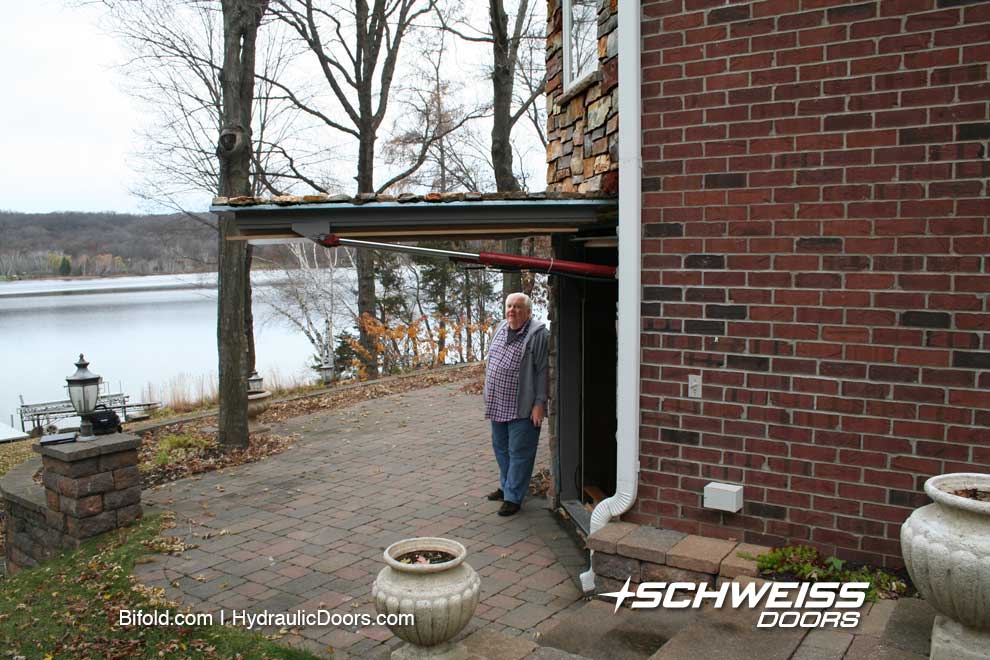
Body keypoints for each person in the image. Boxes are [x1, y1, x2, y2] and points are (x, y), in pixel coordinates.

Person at [483, 292, 548, 516]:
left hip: (522, 405)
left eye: (518, 307)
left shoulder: (538, 334)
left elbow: (542, 371)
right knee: (501, 449)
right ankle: (507, 486)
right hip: (497, 402)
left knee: (520, 451)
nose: (512, 310)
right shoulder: (501, 327)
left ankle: (514, 497)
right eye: (509, 306)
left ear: (528, 312)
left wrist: (539, 403)